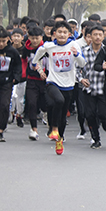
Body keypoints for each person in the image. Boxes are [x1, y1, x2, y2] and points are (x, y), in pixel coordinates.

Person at [32, 21, 86, 155]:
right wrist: (35, 64)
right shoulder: (49, 46)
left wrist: (76, 55)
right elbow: (38, 53)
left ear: (69, 34)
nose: (62, 35)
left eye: (65, 32)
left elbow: (83, 63)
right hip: (53, 82)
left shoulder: (74, 45)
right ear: (54, 34)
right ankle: (54, 128)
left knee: (63, 115)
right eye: (59, 32)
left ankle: (59, 138)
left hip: (68, 84)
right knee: (58, 100)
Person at [0, 28, 22, 142]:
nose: (1, 44)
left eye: (4, 41)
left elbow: (17, 65)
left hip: (7, 82)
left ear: (8, 39)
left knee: (4, 105)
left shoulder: (12, 51)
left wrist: (16, 78)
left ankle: (1, 130)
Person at [78, 25, 106, 149]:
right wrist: (81, 79)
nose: (97, 37)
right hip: (89, 88)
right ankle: (96, 138)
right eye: (95, 34)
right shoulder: (83, 52)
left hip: (104, 88)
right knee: (89, 115)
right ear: (89, 36)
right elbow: (76, 69)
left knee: (103, 114)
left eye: (100, 35)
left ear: (104, 36)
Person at [22, 26, 48, 140]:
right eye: (32, 38)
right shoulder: (26, 49)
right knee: (32, 103)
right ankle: (34, 129)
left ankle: (49, 123)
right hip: (31, 80)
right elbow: (24, 61)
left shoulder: (46, 48)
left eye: (37, 38)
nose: (35, 41)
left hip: (45, 81)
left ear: (41, 37)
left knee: (45, 104)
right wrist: (23, 74)